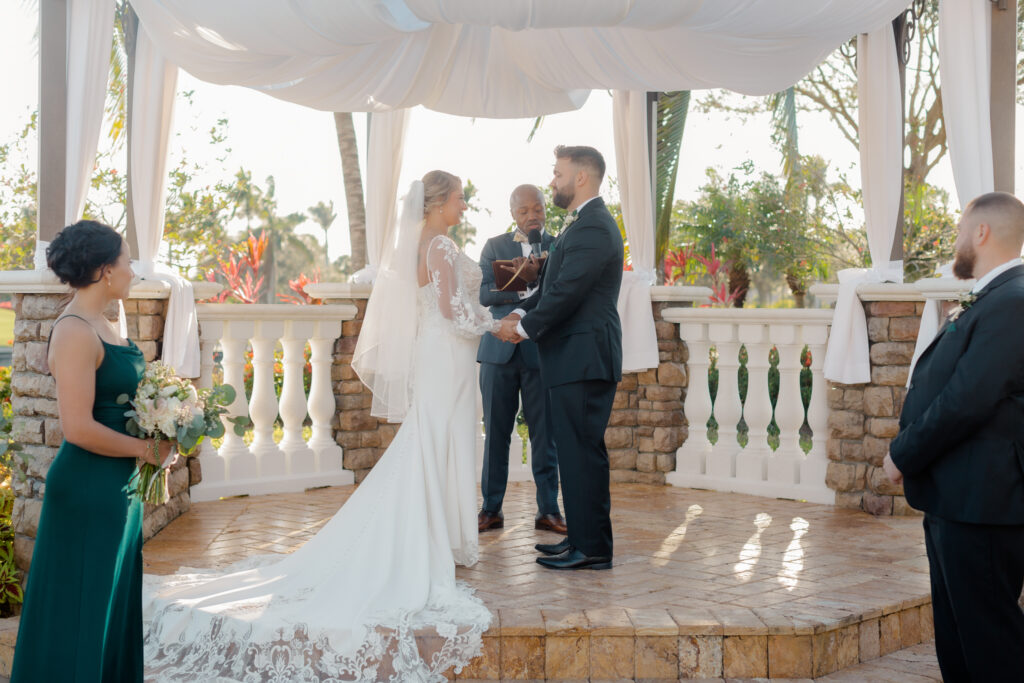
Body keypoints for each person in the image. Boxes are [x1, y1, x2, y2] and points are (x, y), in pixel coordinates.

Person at [141, 171, 498, 682]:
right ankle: (438, 536)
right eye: (460, 197)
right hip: (449, 354)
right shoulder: (439, 244)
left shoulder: (419, 243)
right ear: (439, 202)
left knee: (435, 441)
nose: (464, 204)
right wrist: (495, 325)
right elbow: (450, 308)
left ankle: (441, 531)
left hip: (442, 356)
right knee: (442, 440)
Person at [12, 221, 174, 683]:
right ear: (105, 270)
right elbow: (79, 427)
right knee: (80, 610)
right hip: (87, 488)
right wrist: (148, 449)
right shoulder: (74, 331)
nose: (132, 271)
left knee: (109, 602)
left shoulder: (105, 323)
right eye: (126, 261)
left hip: (117, 489)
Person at [883, 191, 1024, 680]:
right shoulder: (994, 296)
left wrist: (903, 454)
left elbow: (968, 399)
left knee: (990, 644)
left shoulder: (1013, 300)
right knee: (959, 640)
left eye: (962, 230)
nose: (958, 240)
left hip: (982, 502)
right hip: (958, 497)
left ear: (981, 232)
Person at [495, 145, 623, 571]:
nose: (553, 181)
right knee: (572, 451)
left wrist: (525, 329)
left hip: (584, 359)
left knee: (583, 453)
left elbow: (567, 294)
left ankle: (593, 549)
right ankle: (580, 542)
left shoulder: (594, 228)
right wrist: (517, 313)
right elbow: (550, 290)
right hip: (571, 359)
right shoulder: (581, 224)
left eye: (557, 173)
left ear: (581, 178)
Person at [476, 184, 566, 535]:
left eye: (538, 208)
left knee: (547, 436)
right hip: (499, 352)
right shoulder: (494, 246)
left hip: (541, 350)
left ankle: (549, 510)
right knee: (496, 434)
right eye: (525, 210)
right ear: (513, 213)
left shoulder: (559, 245)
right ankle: (491, 509)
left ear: (545, 209)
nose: (533, 215)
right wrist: (520, 284)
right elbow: (484, 293)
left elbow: (561, 292)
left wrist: (538, 280)